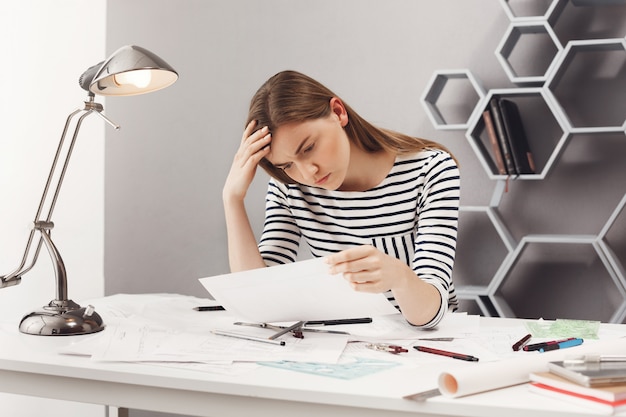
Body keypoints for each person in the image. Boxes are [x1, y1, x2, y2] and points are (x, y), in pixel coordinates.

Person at [223, 70, 460, 328]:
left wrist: (399, 277)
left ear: (338, 112)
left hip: (429, 342)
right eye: (287, 165)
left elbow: (430, 312)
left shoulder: (431, 171)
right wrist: (232, 199)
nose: (307, 173)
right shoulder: (290, 188)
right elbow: (258, 299)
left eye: (309, 147)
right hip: (348, 341)